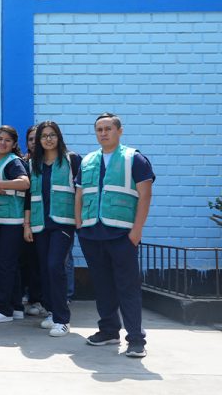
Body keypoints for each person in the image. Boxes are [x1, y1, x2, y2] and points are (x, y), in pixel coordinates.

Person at [75, 113, 154, 358]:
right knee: (102, 285)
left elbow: (145, 195)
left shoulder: (135, 158)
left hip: (122, 235)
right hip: (91, 234)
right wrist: (79, 225)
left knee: (127, 287)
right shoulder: (87, 160)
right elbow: (79, 194)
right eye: (99, 129)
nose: (103, 133)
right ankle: (109, 331)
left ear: (119, 131)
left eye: (108, 128)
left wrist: (137, 231)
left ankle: (136, 339)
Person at [24, 121, 81, 337]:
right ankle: (52, 311)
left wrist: (79, 219)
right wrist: (27, 225)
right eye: (44, 136)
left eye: (52, 135)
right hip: (39, 224)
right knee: (44, 268)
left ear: (59, 137)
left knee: (55, 265)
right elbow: (29, 197)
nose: (48, 139)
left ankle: (62, 319)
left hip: (63, 223)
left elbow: (81, 190)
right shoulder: (33, 164)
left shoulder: (71, 159)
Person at [0, 126, 31, 324]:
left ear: (14, 144)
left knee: (4, 265)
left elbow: (25, 183)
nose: (2, 143)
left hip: (12, 221)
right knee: (11, 266)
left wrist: (2, 184)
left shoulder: (13, 162)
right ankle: (16, 306)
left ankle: (4, 310)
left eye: (7, 140)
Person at [20, 125, 44, 317]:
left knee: (46, 262)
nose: (34, 143)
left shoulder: (52, 161)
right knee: (29, 261)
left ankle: (47, 301)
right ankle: (34, 297)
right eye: (30, 139)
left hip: (47, 220)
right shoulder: (23, 162)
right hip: (26, 219)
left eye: (37, 138)